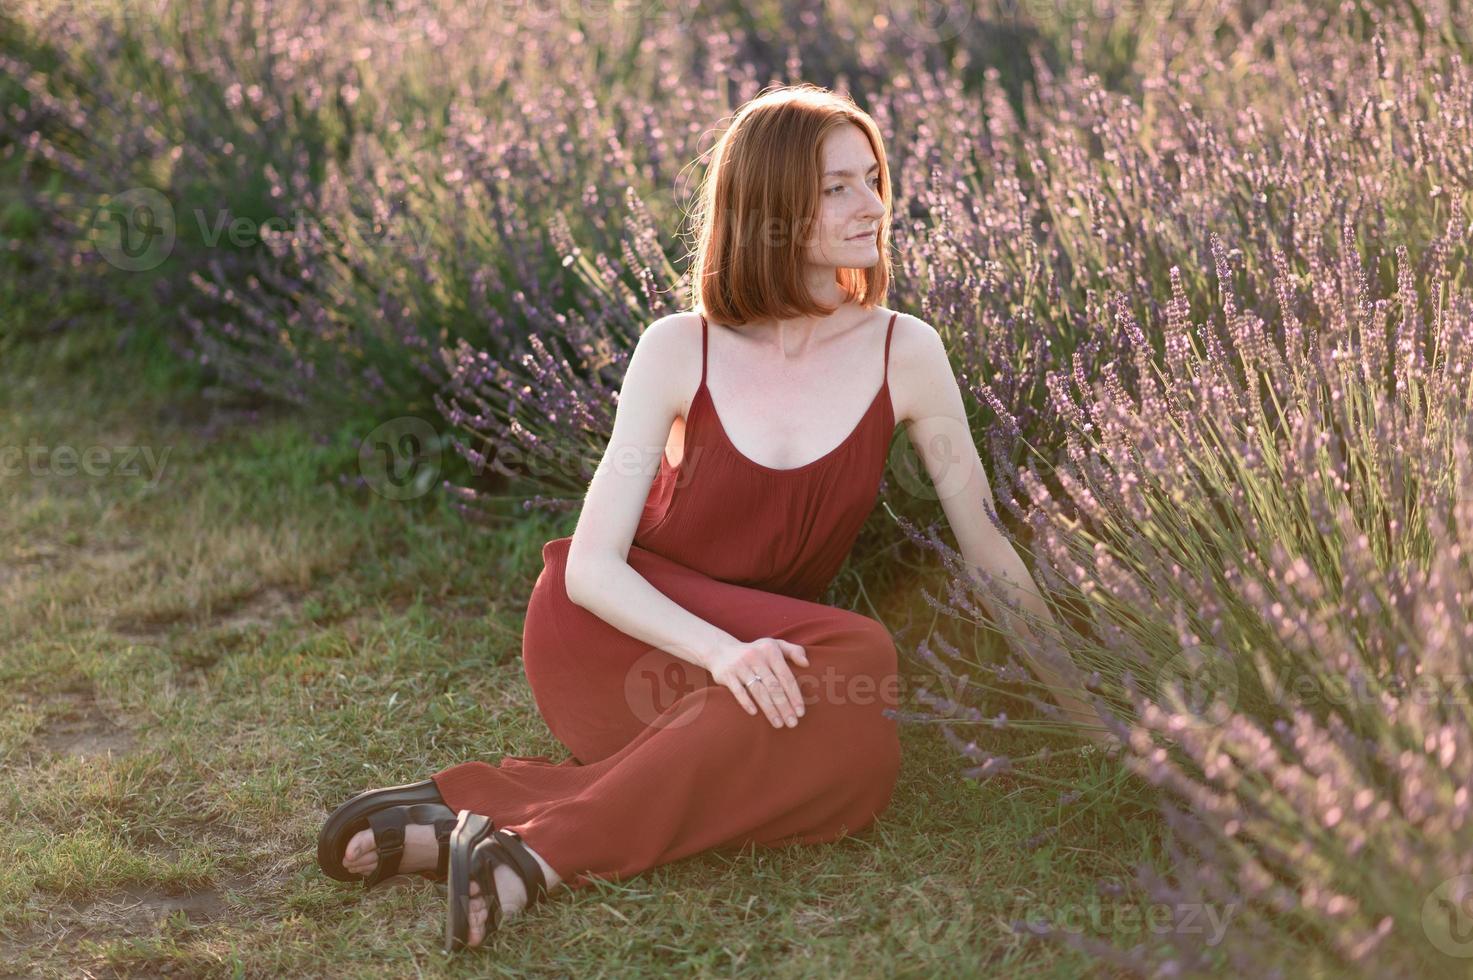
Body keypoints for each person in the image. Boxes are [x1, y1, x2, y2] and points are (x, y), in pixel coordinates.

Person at [317, 82, 1113, 953]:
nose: (873, 205)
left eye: (874, 177)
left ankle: (488, 824)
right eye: (838, 186)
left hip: (760, 676)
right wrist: (724, 653)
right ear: (770, 205)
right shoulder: (677, 349)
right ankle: (536, 852)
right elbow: (590, 568)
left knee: (863, 762)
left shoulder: (905, 351)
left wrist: (1088, 716)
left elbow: (985, 544)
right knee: (859, 658)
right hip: (619, 643)